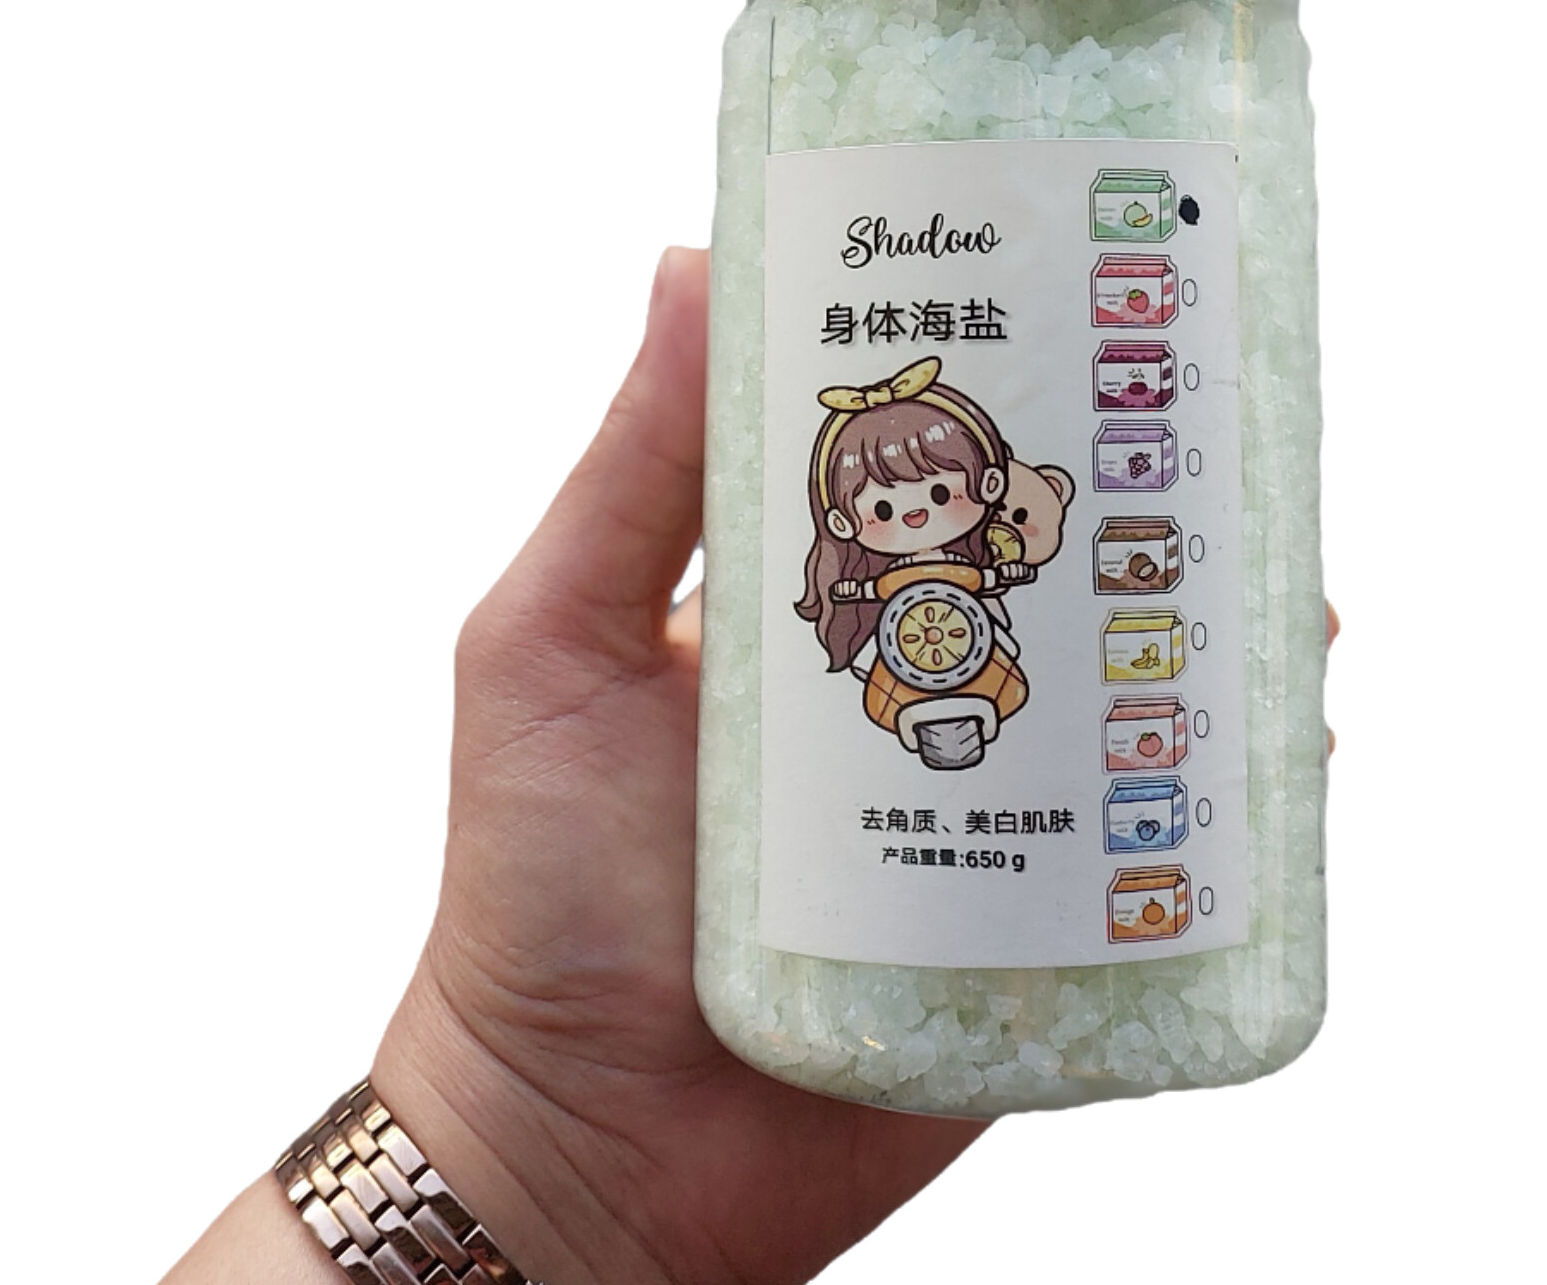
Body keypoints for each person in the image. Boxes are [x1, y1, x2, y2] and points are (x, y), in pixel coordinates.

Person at [165, 248, 1337, 1285]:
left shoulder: (990, 545)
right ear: (849, 518)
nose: (920, 510)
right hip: (891, 718)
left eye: (942, 491)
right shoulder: (864, 587)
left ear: (981, 489)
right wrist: (519, 1133)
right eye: (889, 500)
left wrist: (534, 1162)